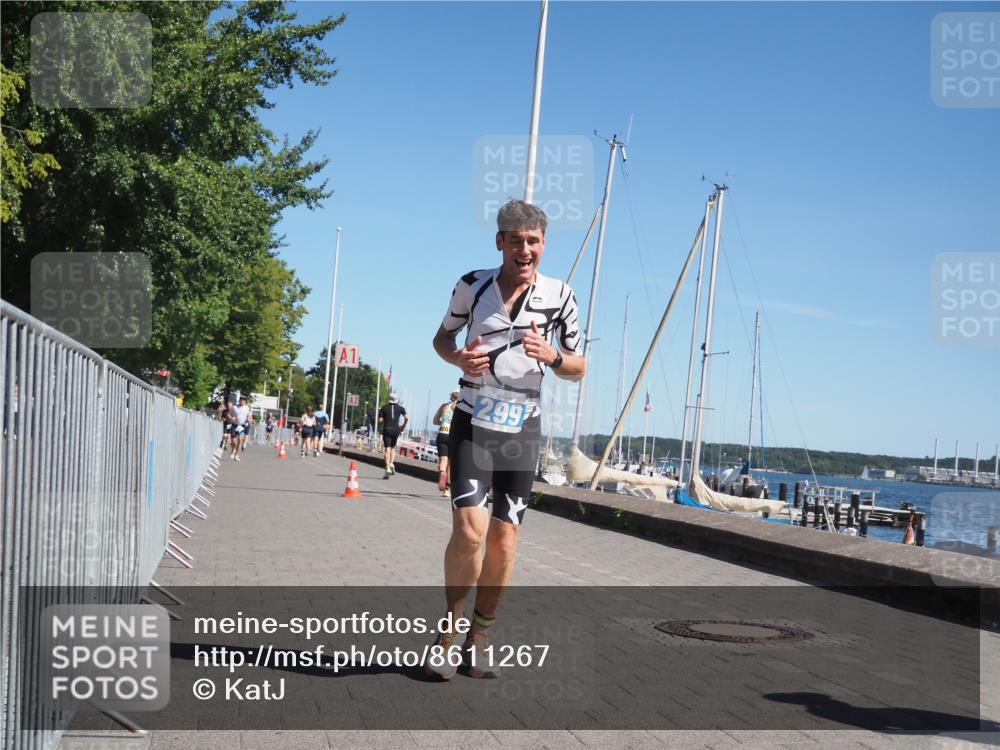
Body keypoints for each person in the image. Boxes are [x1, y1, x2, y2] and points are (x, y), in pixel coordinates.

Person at [427, 199, 584, 679]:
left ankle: (480, 637)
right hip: (473, 422)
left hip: (521, 432)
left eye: (533, 241)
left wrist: (552, 356)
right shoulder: (472, 286)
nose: (524, 249)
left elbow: (578, 369)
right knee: (469, 531)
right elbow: (441, 340)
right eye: (515, 240)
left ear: (543, 245)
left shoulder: (561, 296)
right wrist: (459, 362)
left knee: (503, 543)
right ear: (500, 242)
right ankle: (448, 630)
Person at [432, 391, 459, 498]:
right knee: (450, 464)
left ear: (451, 397)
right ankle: (447, 489)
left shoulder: (444, 406)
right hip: (453, 435)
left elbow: (435, 421)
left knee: (443, 460)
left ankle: (441, 473)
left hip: (442, 433)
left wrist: (443, 423)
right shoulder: (460, 407)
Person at [377, 393, 408, 479]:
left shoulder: (384, 407)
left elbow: (380, 420)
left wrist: (382, 420)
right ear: (397, 400)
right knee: (393, 448)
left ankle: (387, 468)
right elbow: (407, 417)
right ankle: (391, 463)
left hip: (387, 429)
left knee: (387, 449)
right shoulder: (400, 408)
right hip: (396, 430)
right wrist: (403, 426)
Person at [229, 396, 251, 461]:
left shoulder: (247, 408)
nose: (242, 401)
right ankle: (233, 449)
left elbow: (248, 416)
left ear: (245, 401)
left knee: (240, 440)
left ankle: (237, 455)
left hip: (241, 426)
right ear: (239, 400)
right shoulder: (234, 407)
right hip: (234, 425)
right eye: (241, 400)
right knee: (233, 441)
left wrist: (248, 420)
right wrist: (231, 418)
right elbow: (229, 414)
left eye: (243, 400)